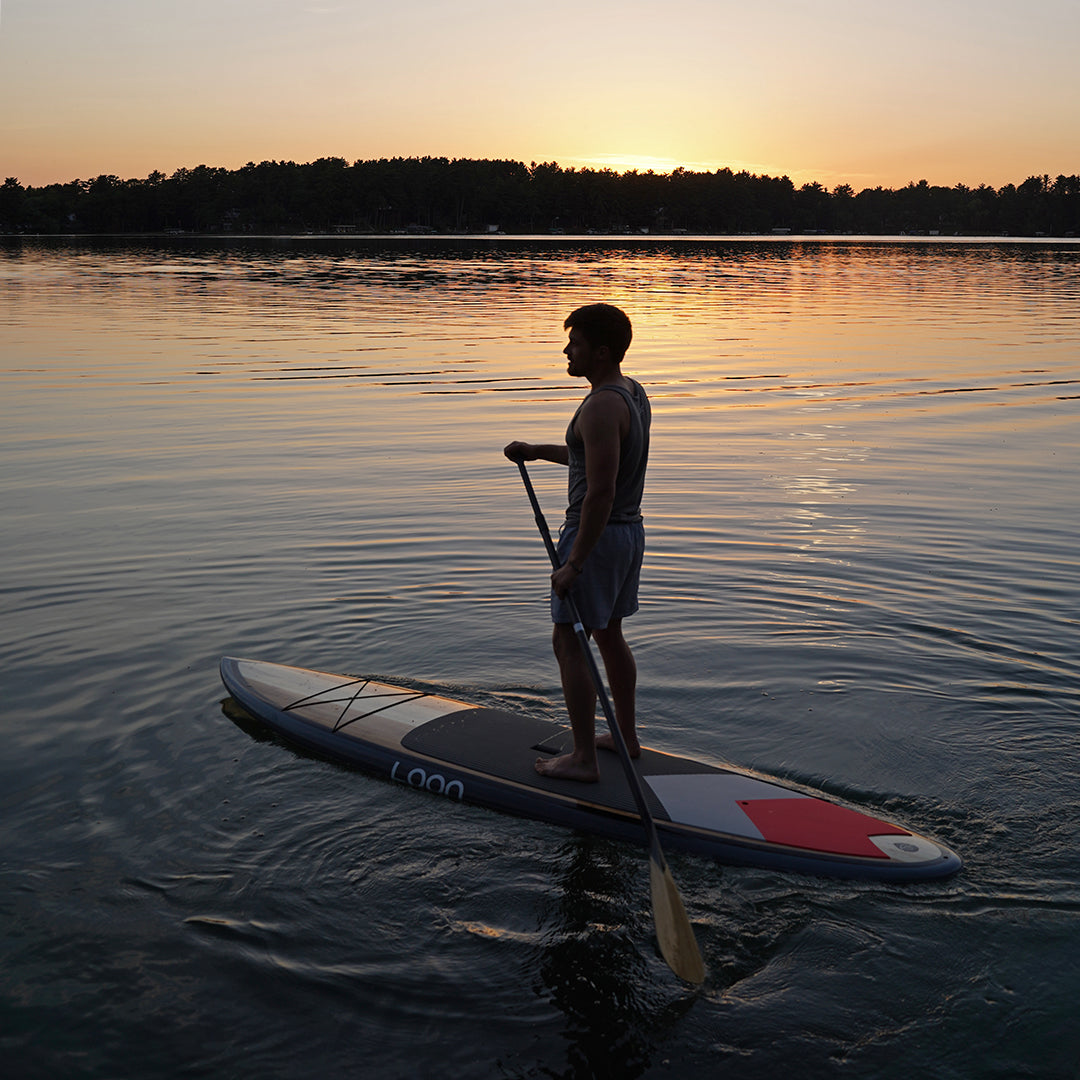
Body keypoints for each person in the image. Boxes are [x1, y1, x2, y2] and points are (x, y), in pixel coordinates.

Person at [504, 303, 651, 782]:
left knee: (568, 640)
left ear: (602, 352)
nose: (567, 351)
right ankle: (625, 738)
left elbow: (601, 489)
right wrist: (535, 451)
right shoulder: (631, 393)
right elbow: (588, 454)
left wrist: (575, 562)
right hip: (628, 534)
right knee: (609, 635)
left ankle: (584, 759)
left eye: (577, 344)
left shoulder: (601, 404)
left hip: (598, 537)